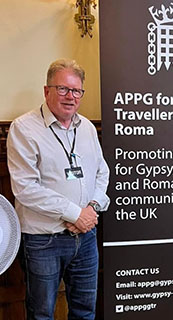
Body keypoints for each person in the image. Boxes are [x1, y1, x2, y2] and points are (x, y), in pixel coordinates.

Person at [7, 58, 110, 320]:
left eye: (76, 91)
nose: (70, 96)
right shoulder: (23, 129)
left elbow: (102, 172)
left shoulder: (86, 128)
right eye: (62, 89)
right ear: (46, 91)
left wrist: (92, 208)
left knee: (85, 311)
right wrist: (76, 213)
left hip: (86, 239)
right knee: (41, 314)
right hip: (44, 241)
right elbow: (25, 187)